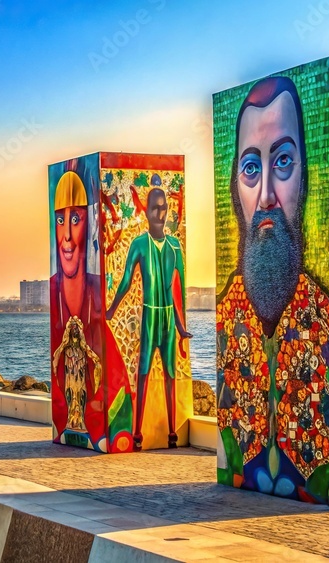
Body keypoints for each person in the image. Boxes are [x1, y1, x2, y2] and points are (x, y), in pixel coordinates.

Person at [216, 76, 329, 498]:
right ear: (235, 189)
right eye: (251, 169)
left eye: (282, 162)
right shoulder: (228, 320)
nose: (266, 195)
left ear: (304, 177)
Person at [50, 165, 131, 452]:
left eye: (76, 219)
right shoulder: (53, 288)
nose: (67, 237)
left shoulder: (99, 293)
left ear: (91, 224)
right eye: (60, 220)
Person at [106, 184, 191, 450]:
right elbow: (126, 282)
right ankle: (138, 433)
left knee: (170, 374)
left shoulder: (175, 247)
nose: (160, 213)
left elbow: (179, 291)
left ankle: (172, 433)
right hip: (149, 316)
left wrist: (181, 328)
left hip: (167, 317)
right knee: (142, 372)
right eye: (155, 208)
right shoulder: (139, 244)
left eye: (164, 207)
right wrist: (111, 310)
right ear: (146, 211)